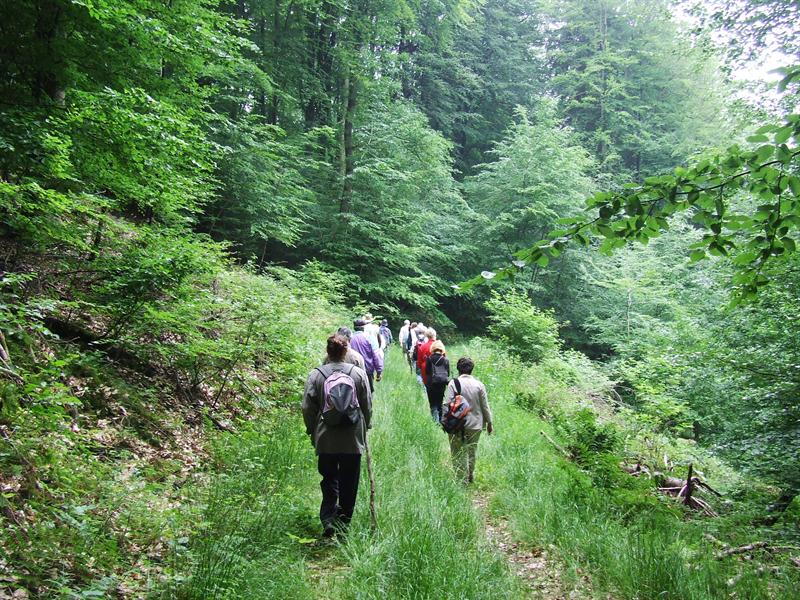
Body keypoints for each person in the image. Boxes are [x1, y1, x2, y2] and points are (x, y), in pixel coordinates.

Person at [302, 334, 372, 536]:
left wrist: (311, 429)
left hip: (326, 437)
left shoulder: (316, 375)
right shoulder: (358, 374)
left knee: (329, 477)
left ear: (327, 351)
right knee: (349, 480)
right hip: (352, 438)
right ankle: (344, 522)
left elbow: (307, 407)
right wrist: (365, 427)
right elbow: (367, 404)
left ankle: (328, 519)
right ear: (345, 351)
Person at [444, 357, 493, 484]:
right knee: (472, 450)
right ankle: (470, 474)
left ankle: (461, 479)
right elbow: (485, 406)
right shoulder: (479, 385)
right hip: (475, 424)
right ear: (472, 369)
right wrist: (489, 423)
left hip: (457, 425)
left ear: (458, 369)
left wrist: (445, 422)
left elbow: (447, 404)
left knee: (457, 451)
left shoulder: (453, 384)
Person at [350, 318, 384, 392]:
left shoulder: (349, 339)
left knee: (354, 393)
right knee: (368, 393)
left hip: (352, 370)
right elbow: (376, 355)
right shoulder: (370, 338)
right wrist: (379, 371)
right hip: (367, 370)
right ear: (364, 327)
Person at [425, 340, 449, 422]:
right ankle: (441, 421)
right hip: (442, 385)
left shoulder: (429, 359)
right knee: (440, 403)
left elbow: (427, 372)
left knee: (432, 404)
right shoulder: (446, 360)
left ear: (432, 348)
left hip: (431, 384)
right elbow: (448, 373)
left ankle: (435, 421)